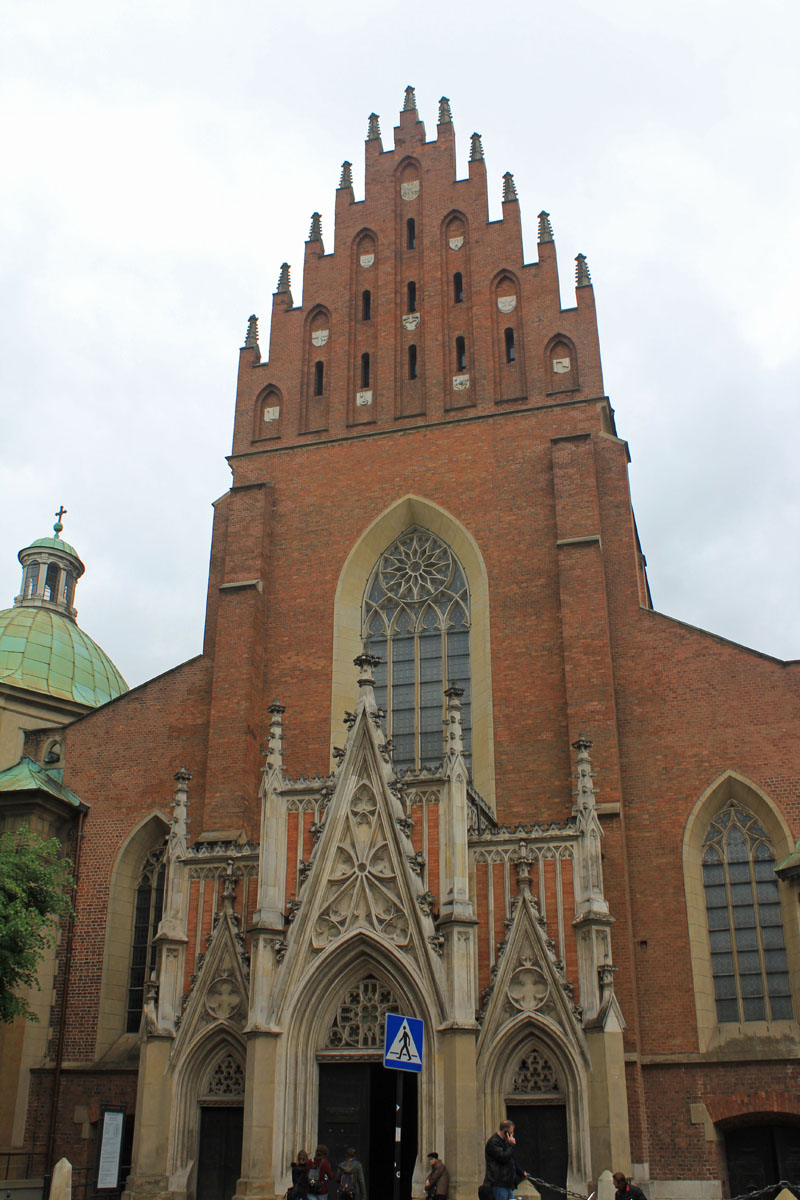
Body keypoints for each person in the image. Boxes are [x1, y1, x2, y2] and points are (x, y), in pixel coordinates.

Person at [483, 1120, 529, 1200]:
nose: (513, 1135)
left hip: (508, 1183)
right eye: (511, 1132)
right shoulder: (493, 1143)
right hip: (498, 1182)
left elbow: (512, 1160)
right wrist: (511, 1145)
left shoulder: (506, 1143)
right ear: (506, 1132)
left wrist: (521, 1172)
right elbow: (503, 1157)